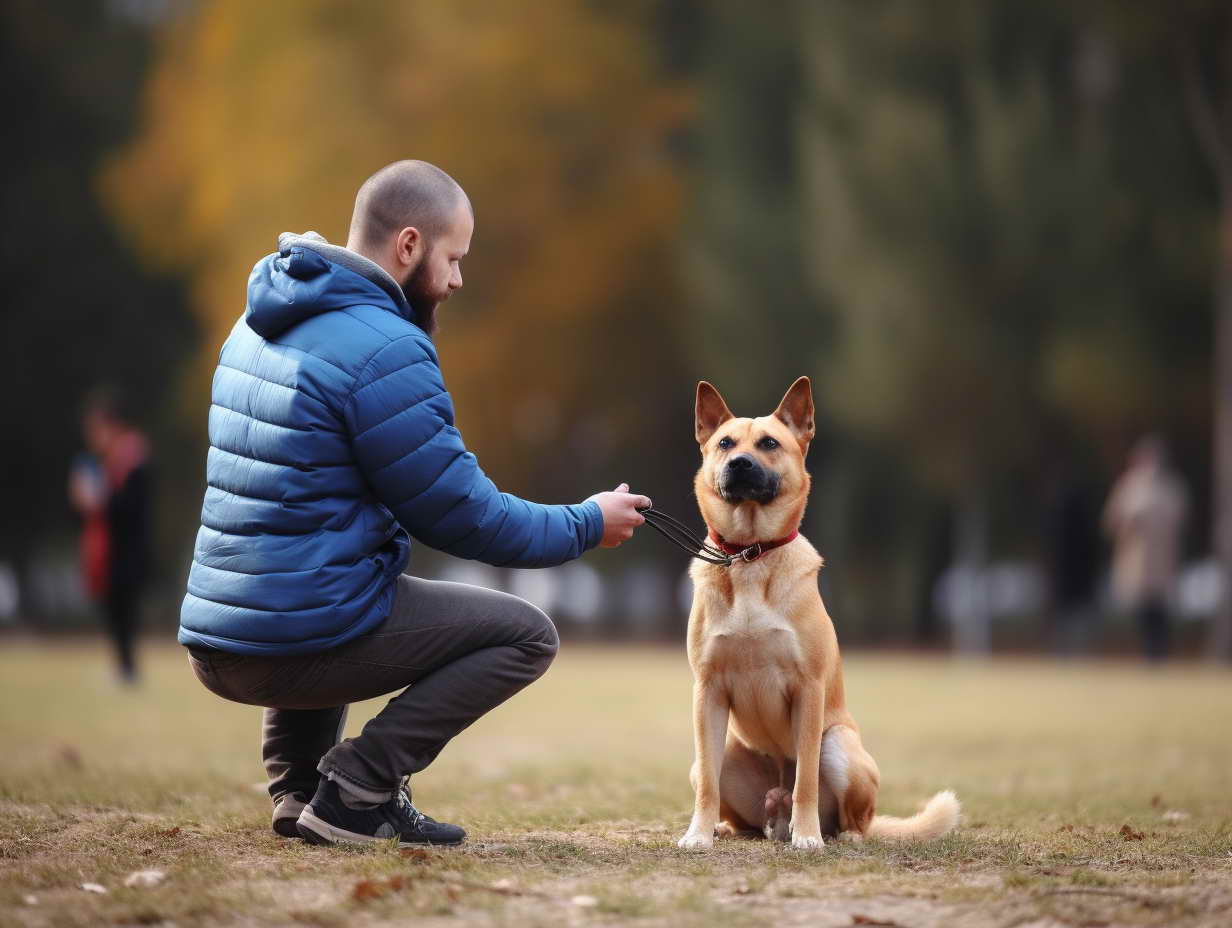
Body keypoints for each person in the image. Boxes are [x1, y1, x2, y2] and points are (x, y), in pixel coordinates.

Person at [179, 160, 650, 847]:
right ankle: (356, 790)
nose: (457, 279)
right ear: (408, 246)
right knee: (526, 634)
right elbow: (462, 515)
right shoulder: (385, 347)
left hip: (217, 640)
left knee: (337, 573)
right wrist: (585, 522)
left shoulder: (254, 325)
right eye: (453, 258)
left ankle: (300, 791)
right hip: (285, 647)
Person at [69, 387, 152, 684]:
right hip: (111, 550)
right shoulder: (105, 460)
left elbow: (131, 505)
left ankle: (127, 670)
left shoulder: (130, 455)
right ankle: (124, 669)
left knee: (124, 610)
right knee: (114, 610)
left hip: (127, 550)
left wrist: (99, 499)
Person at [1103, 435, 1189, 661]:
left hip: (1162, 562)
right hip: (1136, 563)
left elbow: (1179, 521)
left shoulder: (1171, 487)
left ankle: (1160, 655)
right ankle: (1147, 655)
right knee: (1143, 613)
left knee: (1161, 612)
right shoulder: (1128, 487)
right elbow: (1112, 522)